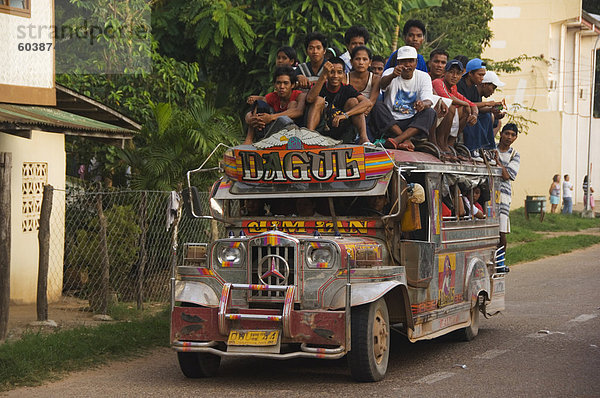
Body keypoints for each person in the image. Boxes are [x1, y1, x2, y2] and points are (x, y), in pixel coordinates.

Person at [370, 46, 436, 150]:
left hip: (412, 124)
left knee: (430, 112)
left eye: (411, 61)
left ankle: (397, 140)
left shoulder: (423, 77)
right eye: (403, 61)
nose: (407, 65)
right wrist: (392, 76)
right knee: (377, 106)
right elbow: (382, 86)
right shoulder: (389, 72)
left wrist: (422, 104)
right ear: (398, 62)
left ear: (416, 62)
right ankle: (405, 139)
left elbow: (429, 100)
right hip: (392, 122)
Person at [305, 58, 371, 144]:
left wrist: (345, 115)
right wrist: (323, 76)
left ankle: (364, 138)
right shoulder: (320, 85)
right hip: (321, 131)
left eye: (339, 72)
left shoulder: (347, 88)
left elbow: (367, 103)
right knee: (318, 100)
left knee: (354, 102)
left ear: (344, 74)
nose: (335, 76)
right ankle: (309, 137)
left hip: (341, 131)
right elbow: (309, 99)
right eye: (331, 72)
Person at [244, 66, 306, 144]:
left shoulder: (298, 95)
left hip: (294, 131)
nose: (282, 87)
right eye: (278, 83)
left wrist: (271, 117)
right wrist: (253, 119)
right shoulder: (272, 96)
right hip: (274, 131)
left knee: (292, 104)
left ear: (292, 85)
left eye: (285, 83)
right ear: (274, 85)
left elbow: (298, 111)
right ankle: (249, 140)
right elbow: (253, 111)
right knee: (259, 104)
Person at [431, 59, 478, 153]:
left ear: (461, 76)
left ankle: (450, 143)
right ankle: (441, 142)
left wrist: (475, 115)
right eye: (451, 72)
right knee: (451, 108)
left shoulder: (453, 87)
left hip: (441, 118)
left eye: (458, 73)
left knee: (464, 110)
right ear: (444, 73)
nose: (454, 76)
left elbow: (472, 104)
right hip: (432, 118)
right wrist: (466, 104)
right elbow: (447, 98)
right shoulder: (438, 82)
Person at [495, 123, 520, 273]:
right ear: (501, 134)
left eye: (512, 135)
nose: (509, 137)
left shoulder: (514, 155)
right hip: (488, 195)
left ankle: (500, 263)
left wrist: (497, 161)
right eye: (507, 133)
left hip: (503, 197)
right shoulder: (491, 148)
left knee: (501, 233)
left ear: (515, 137)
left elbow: (507, 175)